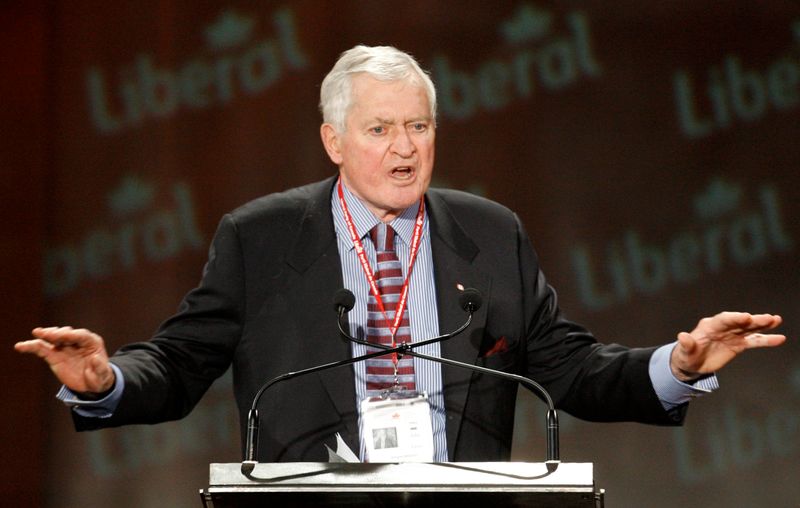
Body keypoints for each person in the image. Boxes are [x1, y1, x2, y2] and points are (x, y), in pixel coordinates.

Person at [15, 45, 786, 463]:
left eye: (419, 127)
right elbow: (182, 364)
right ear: (333, 139)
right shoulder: (261, 235)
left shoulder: (489, 232)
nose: (405, 148)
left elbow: (569, 370)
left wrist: (677, 367)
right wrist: (106, 381)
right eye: (380, 128)